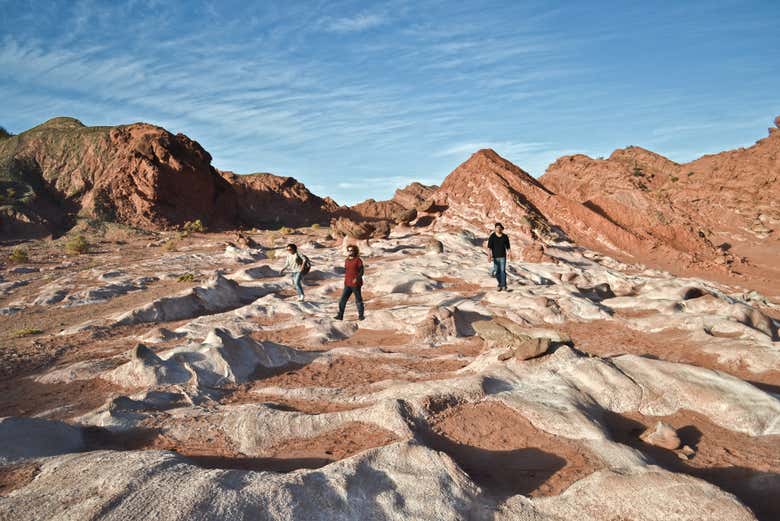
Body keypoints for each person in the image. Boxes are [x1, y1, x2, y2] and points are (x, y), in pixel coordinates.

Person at [333, 244, 365, 321]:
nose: (350, 252)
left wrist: (356, 279)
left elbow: (362, 271)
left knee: (358, 300)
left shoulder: (358, 260)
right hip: (347, 283)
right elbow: (347, 270)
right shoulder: (346, 260)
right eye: (349, 250)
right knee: (342, 300)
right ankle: (340, 315)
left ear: (355, 251)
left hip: (355, 284)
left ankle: (361, 316)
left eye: (351, 250)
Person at [487, 222, 511, 291]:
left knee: (503, 271)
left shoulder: (505, 236)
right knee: (497, 271)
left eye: (499, 228)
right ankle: (500, 284)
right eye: (497, 227)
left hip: (503, 256)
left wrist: (509, 253)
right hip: (495, 257)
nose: (498, 229)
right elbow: (489, 247)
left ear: (501, 229)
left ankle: (503, 286)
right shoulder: (492, 236)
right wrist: (489, 255)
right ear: (495, 228)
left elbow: (508, 246)